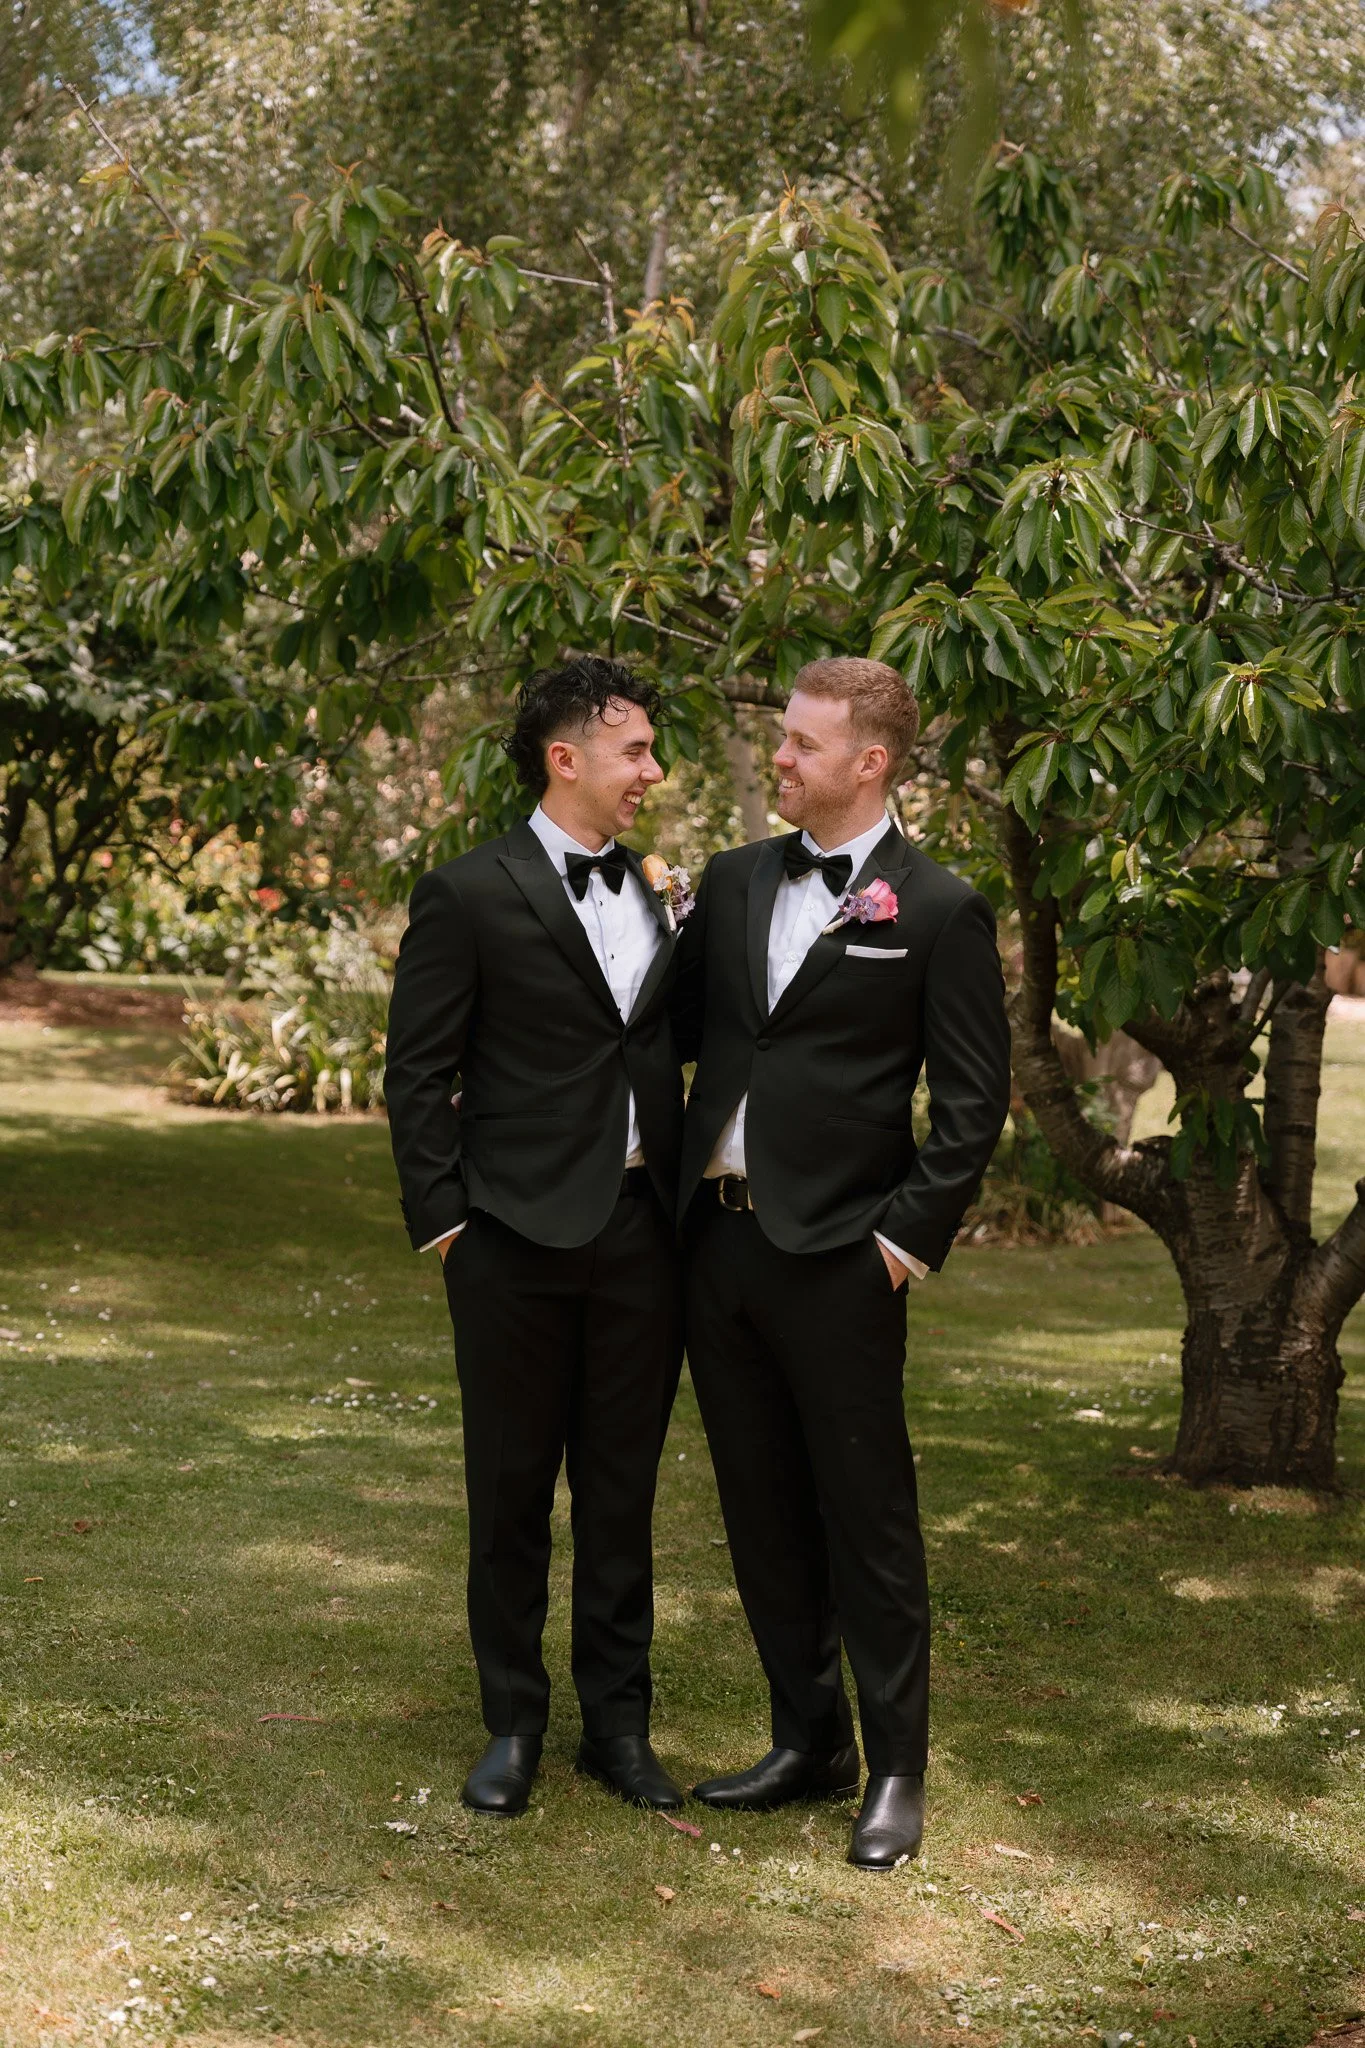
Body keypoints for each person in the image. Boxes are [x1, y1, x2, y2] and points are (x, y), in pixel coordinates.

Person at [673, 656, 1011, 1868]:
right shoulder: (730, 880)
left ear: (869, 762)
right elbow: (661, 1034)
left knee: (867, 1516)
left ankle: (896, 1769)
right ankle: (803, 1739)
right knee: (759, 1506)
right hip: (718, 1245)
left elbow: (974, 1108)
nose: (782, 758)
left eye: (805, 744)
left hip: (843, 1260)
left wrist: (898, 1245)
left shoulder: (937, 908)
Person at [385, 656, 686, 1818]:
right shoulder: (466, 892)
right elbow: (417, 1075)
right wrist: (453, 1225)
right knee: (510, 1490)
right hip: (509, 1237)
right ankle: (513, 1719)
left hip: (643, 1232)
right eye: (636, 751)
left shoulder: (663, 890)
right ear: (566, 758)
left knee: (623, 1492)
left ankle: (618, 1725)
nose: (651, 771)